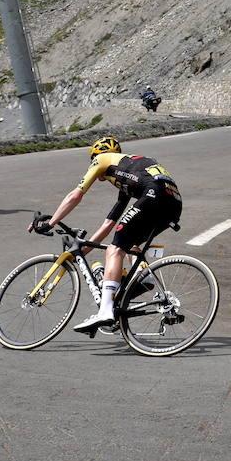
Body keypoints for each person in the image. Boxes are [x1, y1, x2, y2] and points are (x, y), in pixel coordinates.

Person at [31, 136, 183, 335]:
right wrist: (82, 250)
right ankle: (143, 278)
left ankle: (105, 311)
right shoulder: (127, 173)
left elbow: (75, 195)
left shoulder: (102, 160)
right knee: (129, 240)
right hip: (173, 202)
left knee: (115, 249)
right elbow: (109, 224)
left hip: (154, 193)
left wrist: (50, 223)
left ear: (96, 155)